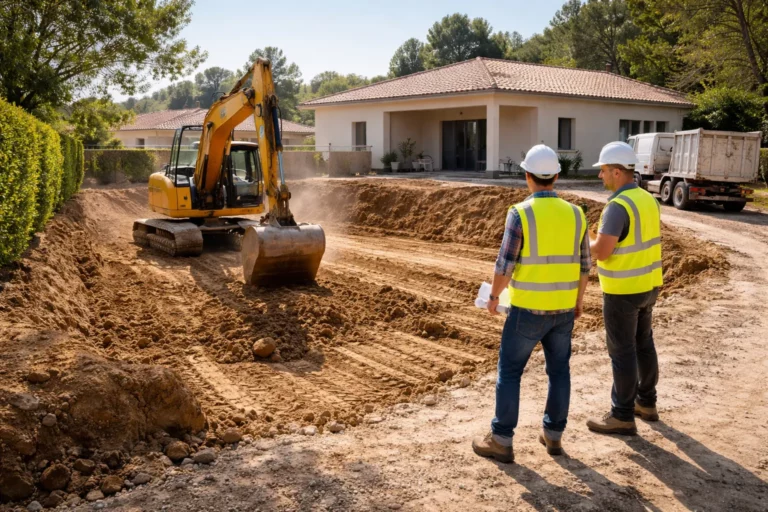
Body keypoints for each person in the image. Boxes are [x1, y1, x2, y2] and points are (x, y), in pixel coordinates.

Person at [472, 144, 590, 463]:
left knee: (510, 372)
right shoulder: (577, 214)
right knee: (559, 372)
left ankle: (501, 440)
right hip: (564, 310)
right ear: (556, 177)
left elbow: (505, 264)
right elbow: (584, 266)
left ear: (527, 176)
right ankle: (553, 437)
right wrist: (578, 302)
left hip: (527, 311)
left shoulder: (520, 212)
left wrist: (494, 297)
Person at [586, 141, 663, 436]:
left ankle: (621, 415)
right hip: (648, 285)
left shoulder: (617, 207)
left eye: (603, 170)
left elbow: (603, 251)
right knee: (644, 344)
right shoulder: (647, 200)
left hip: (623, 291)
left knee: (622, 351)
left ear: (618, 172)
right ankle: (647, 403)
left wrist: (587, 242)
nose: (600, 176)